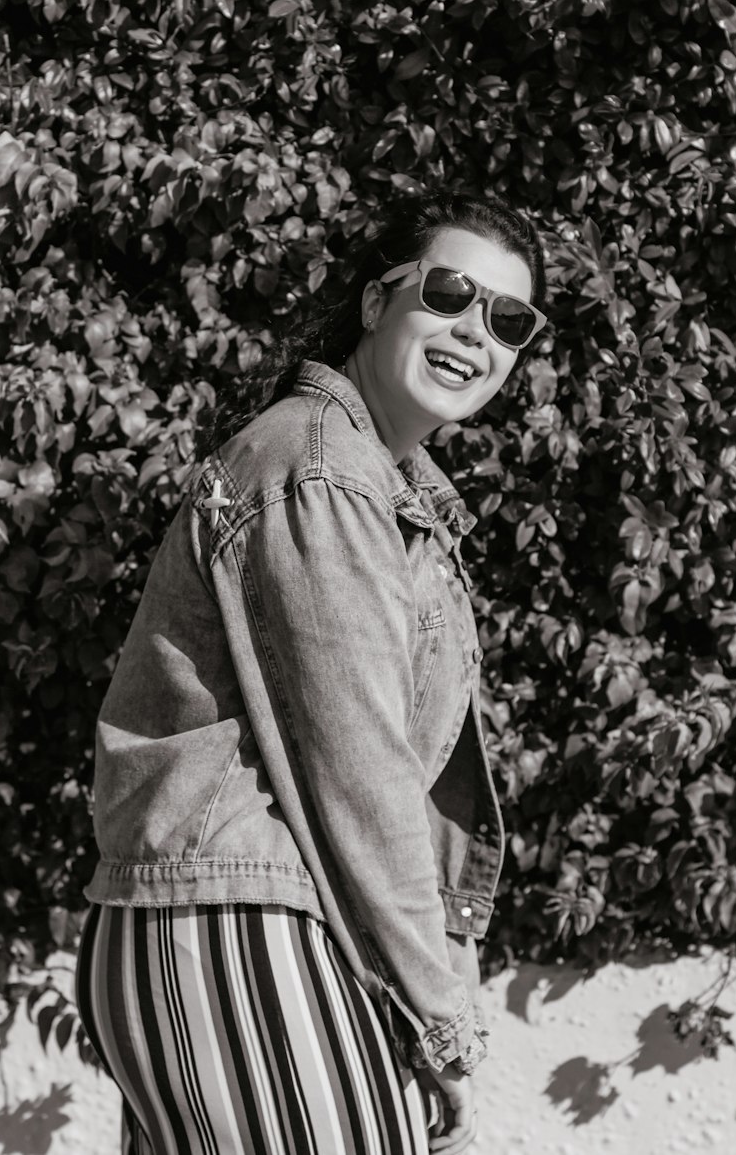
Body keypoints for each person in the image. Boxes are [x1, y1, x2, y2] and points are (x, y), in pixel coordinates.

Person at [76, 189, 549, 1155]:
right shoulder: (322, 472)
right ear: (377, 303)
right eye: (449, 293)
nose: (475, 332)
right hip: (237, 928)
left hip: (224, 932)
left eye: (508, 320)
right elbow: (359, 764)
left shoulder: (376, 485)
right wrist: (441, 1017)